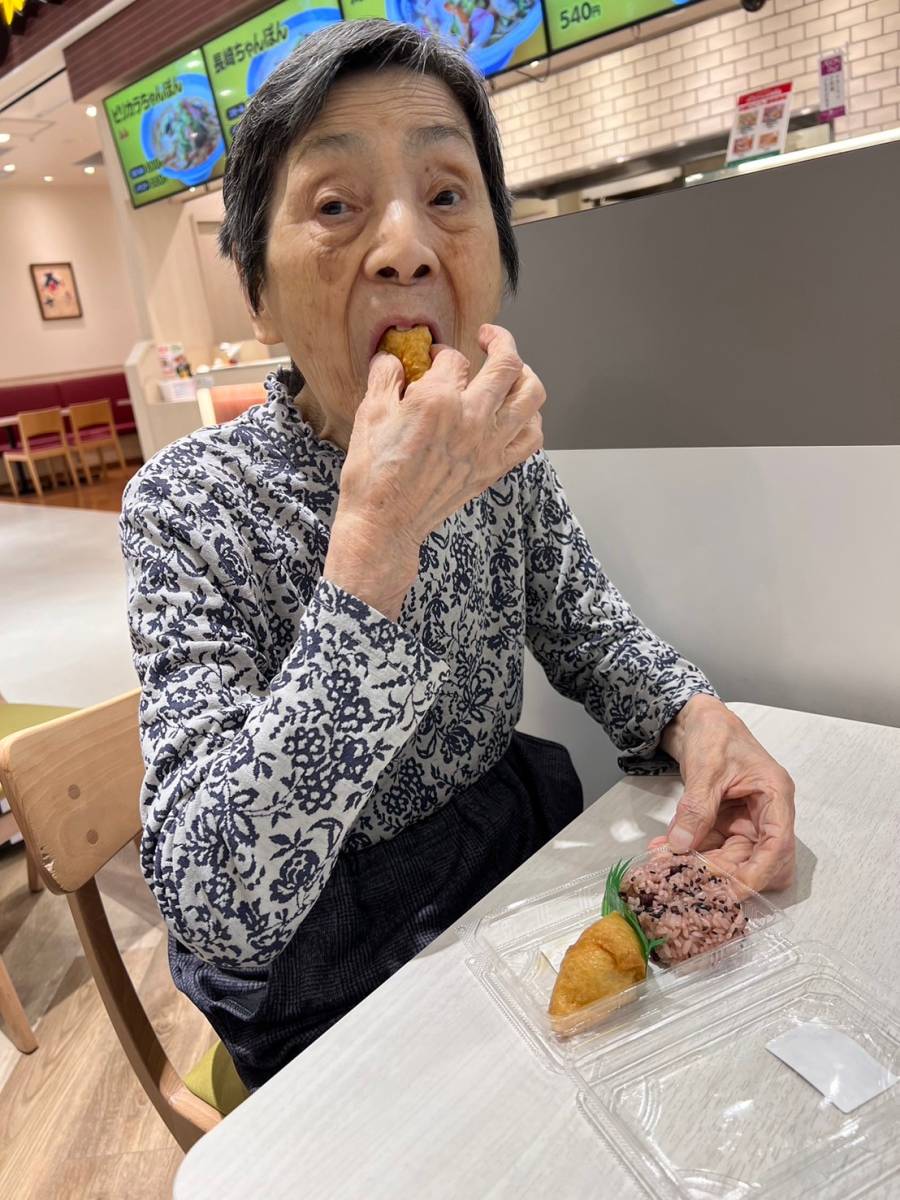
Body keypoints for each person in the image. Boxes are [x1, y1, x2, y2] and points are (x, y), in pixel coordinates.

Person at [120, 21, 795, 1091]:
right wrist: (373, 549)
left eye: (445, 194)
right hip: (327, 974)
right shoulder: (187, 506)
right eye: (335, 206)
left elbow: (586, 628)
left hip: (506, 868)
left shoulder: (495, 448)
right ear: (256, 287)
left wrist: (695, 718)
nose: (405, 246)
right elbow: (216, 903)